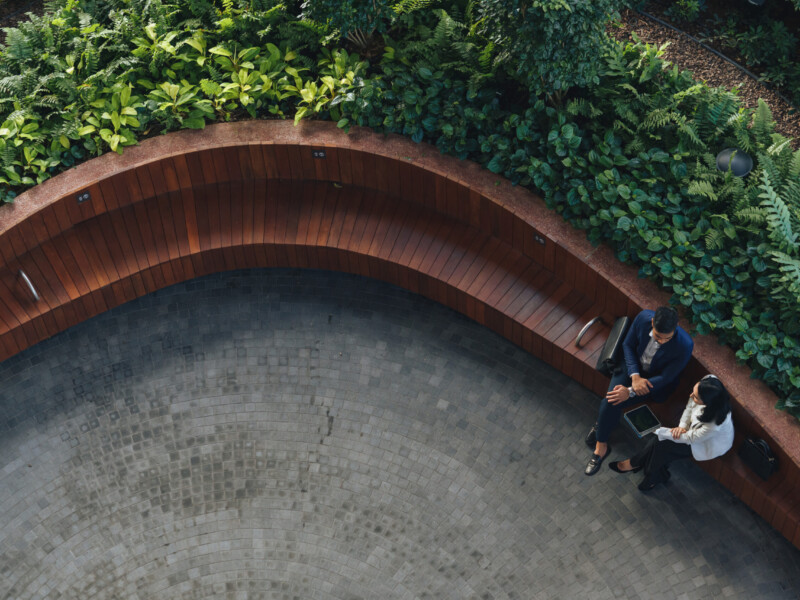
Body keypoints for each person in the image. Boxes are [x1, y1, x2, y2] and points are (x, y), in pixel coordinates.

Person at [584, 306, 693, 476]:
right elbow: (627, 345)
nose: (661, 341)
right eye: (658, 336)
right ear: (652, 323)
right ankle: (601, 444)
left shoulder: (685, 345)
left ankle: (601, 428)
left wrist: (630, 391)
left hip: (653, 381)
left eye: (667, 338)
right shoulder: (643, 319)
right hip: (630, 368)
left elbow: (666, 377)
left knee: (611, 401)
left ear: (676, 327)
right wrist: (634, 376)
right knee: (611, 400)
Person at [608, 374, 734, 491]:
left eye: (695, 397)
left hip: (704, 444)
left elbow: (690, 438)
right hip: (692, 432)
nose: (691, 396)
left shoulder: (714, 424)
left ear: (707, 403)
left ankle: (636, 464)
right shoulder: (708, 381)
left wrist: (656, 430)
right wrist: (682, 426)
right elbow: (690, 407)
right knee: (661, 444)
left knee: (661, 443)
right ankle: (650, 474)